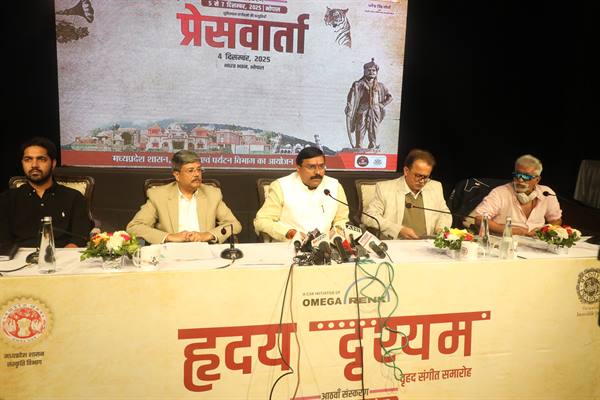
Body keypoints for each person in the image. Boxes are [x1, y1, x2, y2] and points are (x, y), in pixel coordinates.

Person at [126, 150, 241, 244]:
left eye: (199, 170)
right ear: (177, 175)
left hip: (204, 250)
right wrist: (169, 236)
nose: (197, 174)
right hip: (171, 252)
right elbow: (135, 227)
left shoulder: (212, 194)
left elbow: (234, 225)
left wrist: (208, 235)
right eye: (191, 171)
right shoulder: (159, 195)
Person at [0, 136, 93, 248]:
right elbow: (3, 241)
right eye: (28, 159)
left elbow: (80, 237)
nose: (34, 165)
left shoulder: (74, 197)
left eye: (41, 159)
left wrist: (67, 252)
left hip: (61, 256)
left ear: (53, 163)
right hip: (19, 256)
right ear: (22, 163)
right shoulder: (7, 199)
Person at [254, 147, 349, 242]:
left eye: (321, 166)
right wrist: (288, 232)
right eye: (311, 167)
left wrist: (337, 230)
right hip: (289, 245)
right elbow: (262, 220)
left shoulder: (334, 186)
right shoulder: (281, 186)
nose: (318, 172)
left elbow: (342, 219)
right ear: (298, 168)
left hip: (324, 245)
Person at [362, 149, 451, 239]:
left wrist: (441, 228)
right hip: (397, 244)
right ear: (406, 171)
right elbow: (369, 217)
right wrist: (398, 229)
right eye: (418, 176)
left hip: (427, 243)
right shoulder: (385, 188)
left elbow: (444, 213)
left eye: (426, 177)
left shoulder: (435, 187)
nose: (422, 181)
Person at [474, 154, 562, 236]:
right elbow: (479, 219)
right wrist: (510, 230)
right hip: (504, 241)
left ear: (537, 179)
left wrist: (542, 232)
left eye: (526, 176)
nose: (520, 180)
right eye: (517, 175)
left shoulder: (547, 193)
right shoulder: (499, 192)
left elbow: (556, 220)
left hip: (536, 243)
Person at [345, 58, 393, 149]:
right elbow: (351, 97)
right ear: (365, 71)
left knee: (374, 128)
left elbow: (390, 97)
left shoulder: (381, 86)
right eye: (369, 70)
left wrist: (382, 104)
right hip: (362, 109)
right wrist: (349, 106)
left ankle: (372, 145)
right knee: (360, 127)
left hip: (375, 110)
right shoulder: (358, 84)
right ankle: (358, 145)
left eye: (374, 70)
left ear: (377, 72)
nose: (371, 72)